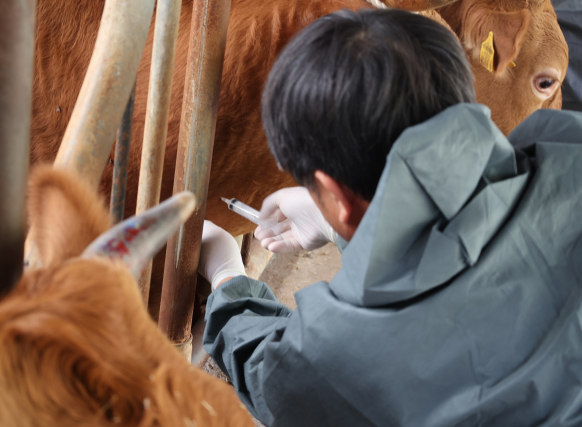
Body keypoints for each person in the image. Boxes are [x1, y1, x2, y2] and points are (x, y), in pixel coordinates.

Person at [198, 8, 582, 427]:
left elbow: (273, 373)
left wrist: (226, 277)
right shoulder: (569, 148)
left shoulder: (338, 357)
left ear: (336, 196)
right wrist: (344, 228)